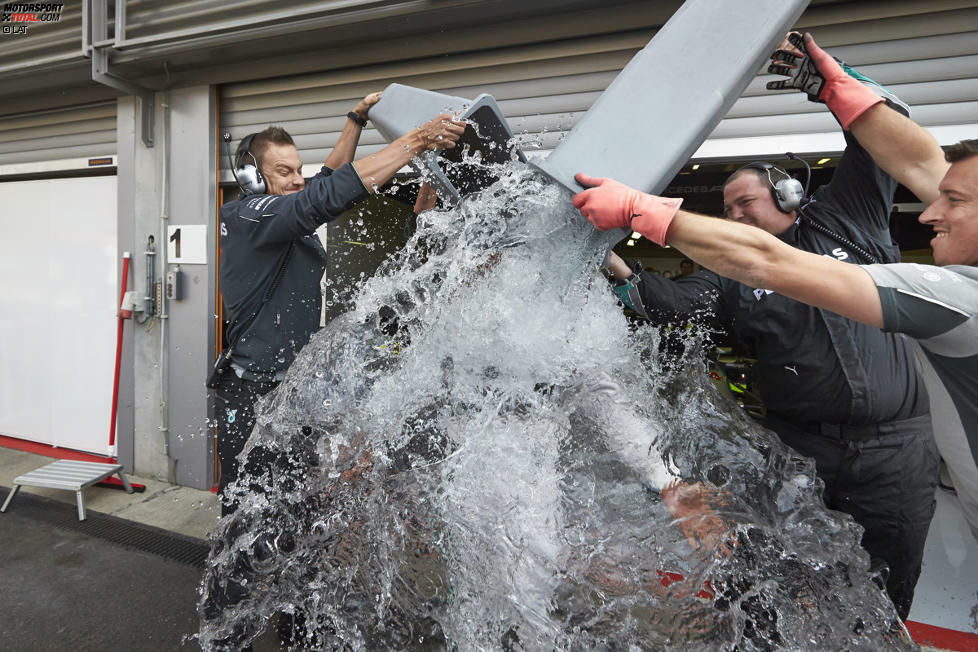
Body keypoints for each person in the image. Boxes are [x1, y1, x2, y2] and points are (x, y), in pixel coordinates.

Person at [580, 33, 941, 620]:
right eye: (727, 211)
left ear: (789, 193)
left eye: (745, 201)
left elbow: (887, 146)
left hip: (895, 453)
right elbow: (670, 304)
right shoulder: (726, 271)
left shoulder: (847, 218)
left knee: (888, 587)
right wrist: (607, 257)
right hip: (798, 451)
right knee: (767, 579)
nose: (736, 215)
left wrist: (837, 89)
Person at [215, 93, 465, 516]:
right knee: (248, 510)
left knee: (294, 501)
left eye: (298, 170)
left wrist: (357, 120)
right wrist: (417, 140)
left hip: (291, 391)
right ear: (252, 177)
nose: (297, 179)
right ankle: (233, 584)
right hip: (252, 392)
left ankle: (285, 577)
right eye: (283, 171)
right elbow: (321, 195)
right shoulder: (248, 216)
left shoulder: (282, 206)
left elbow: (327, 176)